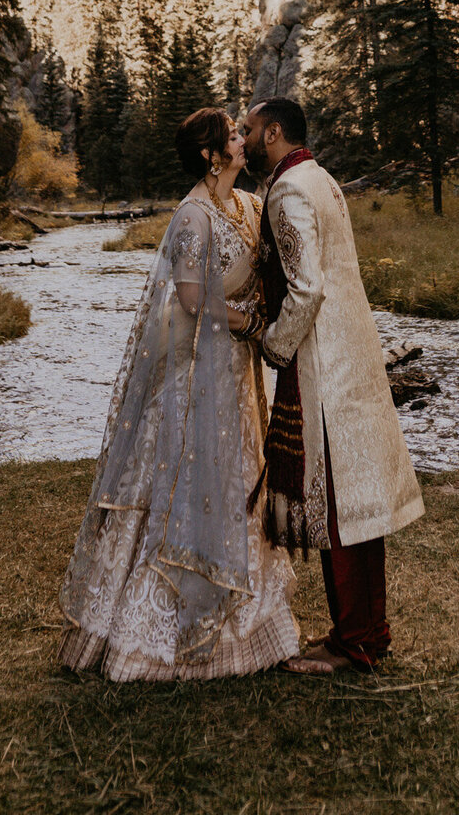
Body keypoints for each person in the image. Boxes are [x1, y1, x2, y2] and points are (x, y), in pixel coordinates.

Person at [57, 107, 299, 680]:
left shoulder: (247, 205)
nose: (243, 141)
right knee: (191, 481)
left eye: (243, 133)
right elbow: (190, 299)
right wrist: (245, 324)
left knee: (239, 476)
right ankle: (159, 638)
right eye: (233, 136)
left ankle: (251, 628)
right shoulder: (193, 216)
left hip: (236, 372)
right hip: (196, 371)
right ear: (211, 155)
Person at [239, 97, 424, 675]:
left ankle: (353, 644)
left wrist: (272, 345)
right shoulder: (320, 179)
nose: (241, 139)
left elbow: (307, 288)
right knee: (357, 505)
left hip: (325, 364)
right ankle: (368, 630)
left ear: (271, 133)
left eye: (246, 130)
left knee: (340, 503)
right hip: (353, 354)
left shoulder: (290, 190)